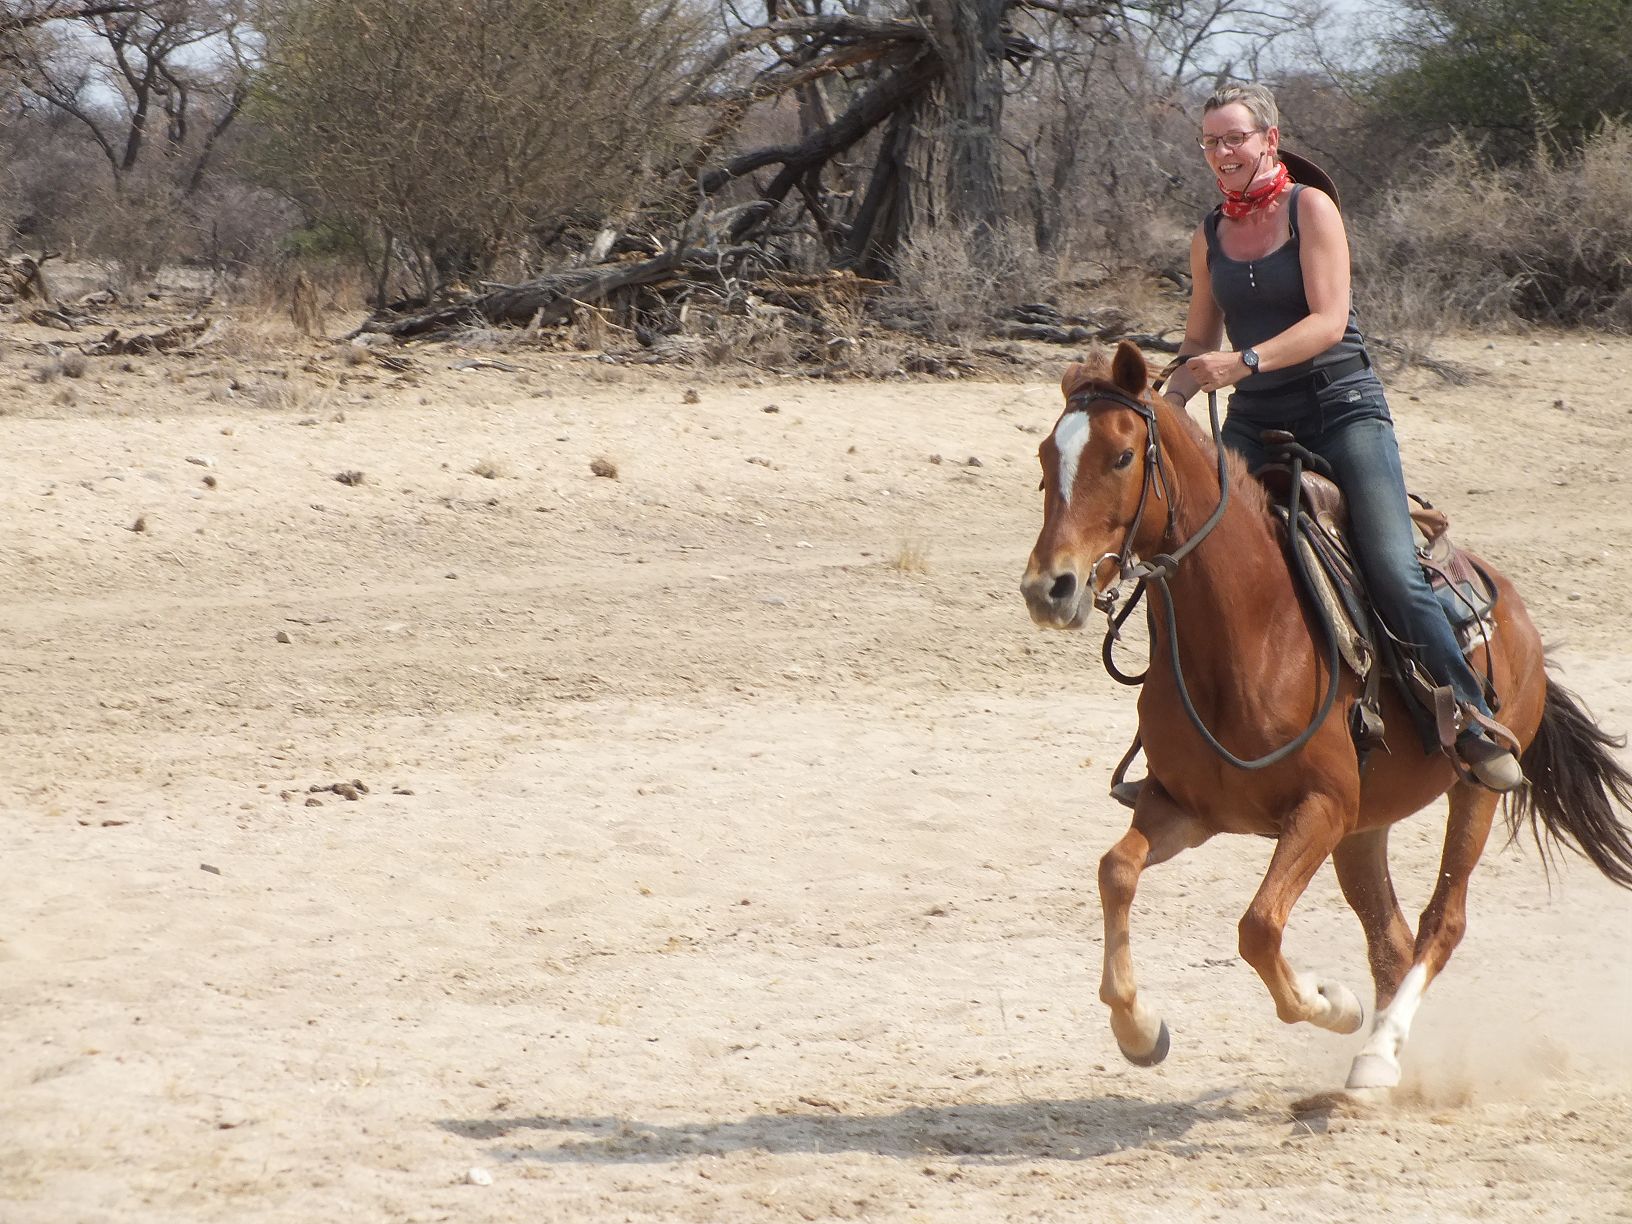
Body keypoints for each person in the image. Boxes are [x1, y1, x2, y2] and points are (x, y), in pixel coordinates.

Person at [1159, 82, 1523, 792]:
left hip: (1342, 408)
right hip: (1255, 420)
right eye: (1211, 142)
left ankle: (1472, 718)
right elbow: (1198, 339)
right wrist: (1167, 398)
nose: (1222, 152)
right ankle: (1180, 748)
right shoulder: (1208, 236)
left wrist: (1245, 360)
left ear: (1269, 139)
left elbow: (1329, 321)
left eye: (1235, 137)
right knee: (1196, 560)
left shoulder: (1311, 209)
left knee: (1389, 565)